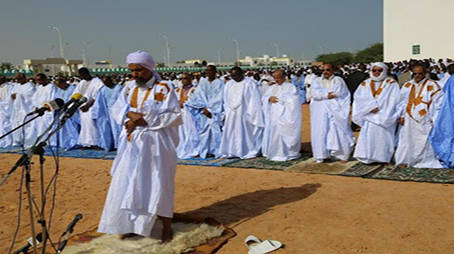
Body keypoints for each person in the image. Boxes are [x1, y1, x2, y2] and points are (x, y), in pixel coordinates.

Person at [98, 50, 182, 242]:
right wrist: (129, 116)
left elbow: (174, 115)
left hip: (156, 144)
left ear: (149, 68)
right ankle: (133, 224)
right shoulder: (129, 87)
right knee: (130, 182)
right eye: (132, 70)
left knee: (159, 183)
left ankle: (166, 226)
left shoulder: (164, 87)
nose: (135, 74)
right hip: (133, 143)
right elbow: (118, 108)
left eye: (139, 70)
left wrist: (144, 120)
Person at [394, 63, 444, 168]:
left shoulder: (432, 85)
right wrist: (402, 116)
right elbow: (401, 102)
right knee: (406, 139)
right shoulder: (407, 85)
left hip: (425, 118)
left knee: (423, 141)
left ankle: (424, 161)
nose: (417, 76)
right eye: (415, 74)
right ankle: (406, 160)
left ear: (425, 73)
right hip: (408, 118)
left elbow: (439, 104)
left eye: (420, 74)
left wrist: (434, 119)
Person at [352, 63, 400, 164]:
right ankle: (368, 158)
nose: (377, 72)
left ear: (385, 71)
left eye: (379, 70)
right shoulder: (365, 83)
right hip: (369, 116)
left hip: (384, 115)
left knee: (383, 138)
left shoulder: (391, 83)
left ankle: (383, 158)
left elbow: (394, 100)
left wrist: (381, 110)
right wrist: (370, 107)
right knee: (368, 137)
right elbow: (358, 97)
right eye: (374, 70)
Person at [310, 64, 354, 163]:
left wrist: (323, 95)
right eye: (323, 70)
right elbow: (314, 94)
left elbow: (337, 93)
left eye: (328, 70)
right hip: (320, 111)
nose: (325, 72)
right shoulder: (316, 81)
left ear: (332, 71)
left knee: (338, 130)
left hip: (336, 110)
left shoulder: (338, 80)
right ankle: (322, 155)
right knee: (321, 131)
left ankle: (341, 155)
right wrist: (326, 95)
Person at [219, 66, 264, 159]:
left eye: (236, 75)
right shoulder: (229, 84)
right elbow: (225, 99)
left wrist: (252, 113)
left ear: (241, 74)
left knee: (244, 132)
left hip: (245, 112)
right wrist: (226, 112)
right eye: (232, 75)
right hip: (231, 113)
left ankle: (245, 150)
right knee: (231, 132)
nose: (234, 77)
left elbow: (254, 100)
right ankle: (232, 151)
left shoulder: (249, 83)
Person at [185, 65, 224, 158]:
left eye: (210, 70)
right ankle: (204, 151)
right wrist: (203, 108)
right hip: (203, 111)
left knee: (216, 133)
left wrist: (211, 110)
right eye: (207, 71)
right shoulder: (202, 83)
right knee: (203, 132)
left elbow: (220, 98)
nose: (208, 72)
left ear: (215, 71)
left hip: (215, 112)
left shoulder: (220, 83)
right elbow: (196, 97)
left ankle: (217, 151)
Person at [262, 69, 301, 161]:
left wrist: (280, 99)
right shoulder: (272, 87)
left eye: (278, 78)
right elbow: (264, 97)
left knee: (285, 133)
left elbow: (293, 100)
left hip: (285, 115)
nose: (276, 80)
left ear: (283, 77)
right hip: (273, 115)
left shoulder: (290, 87)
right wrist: (268, 99)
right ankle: (275, 152)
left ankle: (288, 152)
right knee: (274, 133)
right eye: (275, 78)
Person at [75, 68, 113, 150]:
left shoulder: (97, 82)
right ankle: (86, 143)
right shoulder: (82, 82)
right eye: (80, 75)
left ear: (87, 73)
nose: (82, 77)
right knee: (85, 126)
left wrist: (88, 106)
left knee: (93, 125)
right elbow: (76, 93)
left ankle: (97, 143)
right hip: (82, 106)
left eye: (83, 75)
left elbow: (96, 95)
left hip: (92, 106)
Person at [175, 73, 198, 159]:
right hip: (180, 114)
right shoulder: (177, 90)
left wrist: (185, 103)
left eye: (185, 78)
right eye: (182, 79)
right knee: (181, 133)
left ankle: (193, 149)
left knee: (191, 132)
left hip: (190, 115)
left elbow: (197, 102)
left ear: (190, 79)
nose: (183, 80)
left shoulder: (194, 90)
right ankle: (181, 149)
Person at [10, 72, 36, 146]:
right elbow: (12, 95)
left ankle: (28, 142)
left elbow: (30, 96)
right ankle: (18, 141)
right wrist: (14, 96)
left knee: (26, 125)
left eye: (19, 79)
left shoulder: (29, 86)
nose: (17, 80)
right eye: (16, 79)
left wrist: (18, 96)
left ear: (24, 78)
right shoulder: (16, 86)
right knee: (16, 125)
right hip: (17, 110)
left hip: (25, 109)